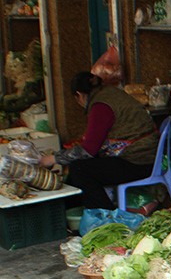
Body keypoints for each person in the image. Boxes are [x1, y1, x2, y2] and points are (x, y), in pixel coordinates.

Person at [38, 72, 159, 209]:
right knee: (81, 166)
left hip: (139, 162)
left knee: (79, 169)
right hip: (147, 156)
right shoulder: (109, 93)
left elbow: (88, 150)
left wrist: (52, 159)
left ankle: (105, 214)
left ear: (79, 95)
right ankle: (68, 208)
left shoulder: (101, 106)